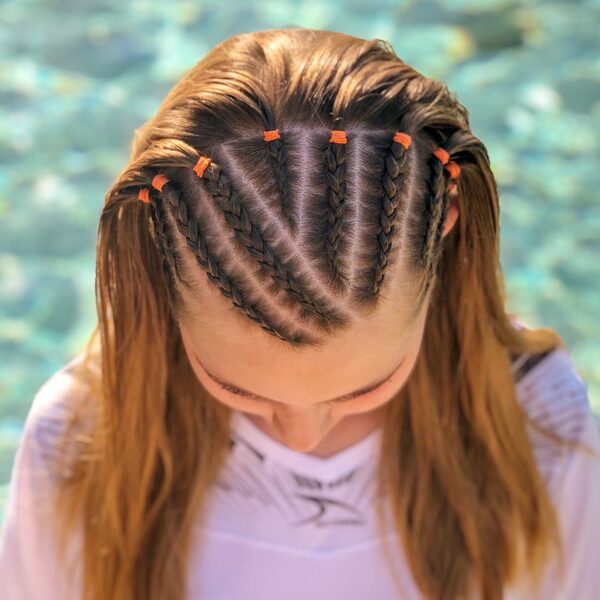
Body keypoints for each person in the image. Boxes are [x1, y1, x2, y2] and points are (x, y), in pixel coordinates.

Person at [1, 27, 599, 600]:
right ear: (159, 256)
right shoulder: (79, 438)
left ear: (444, 227)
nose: (304, 437)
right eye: (241, 390)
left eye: (368, 387)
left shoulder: (543, 425)